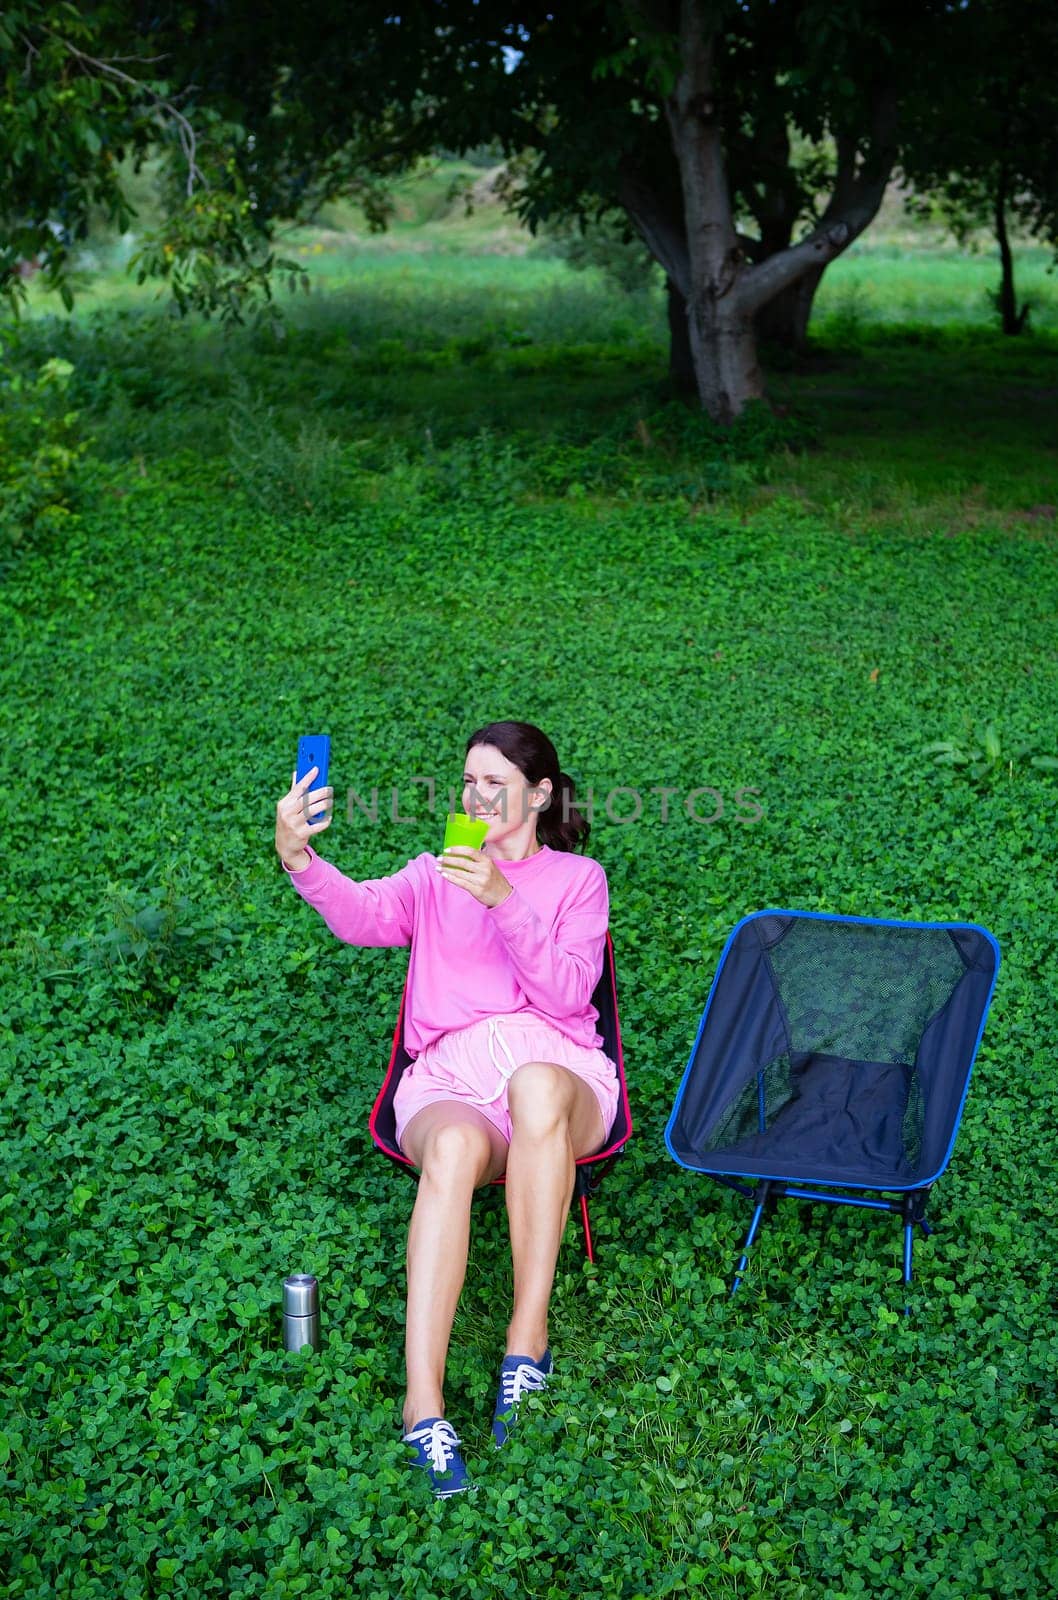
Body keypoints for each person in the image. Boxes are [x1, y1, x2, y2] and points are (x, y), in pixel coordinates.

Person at [274, 720, 619, 1497]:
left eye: (495, 783)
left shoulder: (577, 880)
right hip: (453, 1080)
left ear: (537, 795)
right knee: (456, 1150)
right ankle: (422, 1403)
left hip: (557, 1076)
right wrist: (300, 857)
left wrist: (504, 900)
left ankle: (525, 1346)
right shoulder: (434, 873)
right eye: (468, 780)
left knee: (533, 1084)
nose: (477, 795)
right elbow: (362, 916)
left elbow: (569, 993)